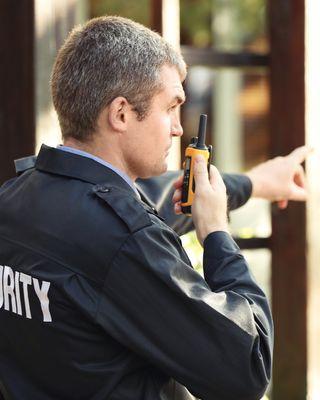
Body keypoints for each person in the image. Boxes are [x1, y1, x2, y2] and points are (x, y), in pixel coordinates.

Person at [0, 16, 308, 400]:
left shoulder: (16, 199)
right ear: (122, 114)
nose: (179, 128)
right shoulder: (124, 242)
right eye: (171, 108)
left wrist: (255, 182)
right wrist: (216, 232)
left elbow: (153, 201)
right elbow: (247, 366)